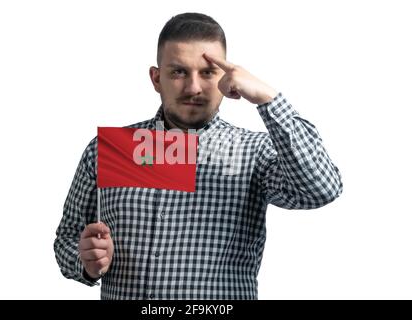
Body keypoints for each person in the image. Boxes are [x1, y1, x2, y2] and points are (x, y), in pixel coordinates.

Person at [54, 12, 343, 300]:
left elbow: (321, 190)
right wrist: (87, 262)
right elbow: (67, 238)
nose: (193, 88)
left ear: (227, 78)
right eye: (178, 72)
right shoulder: (110, 149)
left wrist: (267, 98)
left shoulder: (255, 152)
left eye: (207, 72)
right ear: (156, 78)